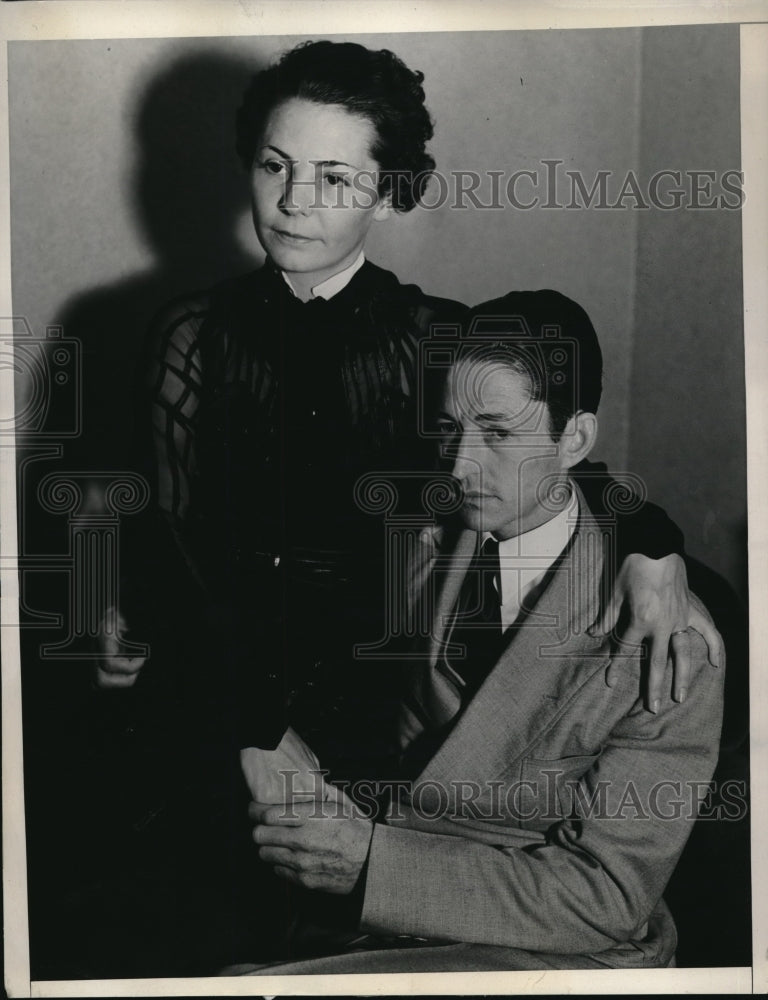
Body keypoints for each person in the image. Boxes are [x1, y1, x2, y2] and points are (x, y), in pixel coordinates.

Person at [79, 40, 719, 974]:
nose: (295, 200)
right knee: (171, 942)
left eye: (336, 176)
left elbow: (555, 460)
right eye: (274, 165)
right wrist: (239, 722)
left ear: (390, 193)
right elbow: (169, 543)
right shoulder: (189, 333)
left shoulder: (435, 335)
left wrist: (653, 545)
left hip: (372, 720)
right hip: (209, 687)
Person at [240, 290, 725, 974]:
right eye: (450, 430)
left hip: (556, 950)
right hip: (382, 917)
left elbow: (605, 894)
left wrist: (373, 865)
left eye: (497, 434)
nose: (459, 465)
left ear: (576, 438)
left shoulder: (669, 644)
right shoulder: (426, 541)